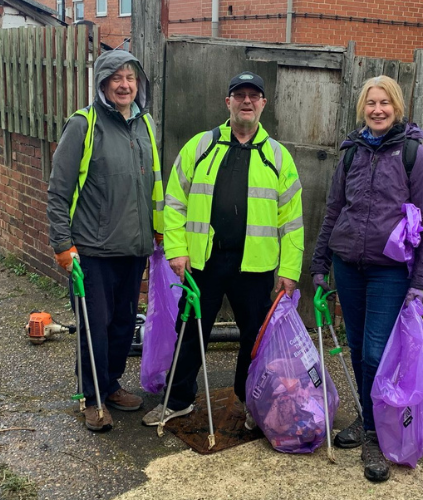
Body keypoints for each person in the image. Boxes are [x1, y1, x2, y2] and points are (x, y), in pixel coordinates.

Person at [142, 71, 304, 430]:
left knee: (254, 338)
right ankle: (178, 400)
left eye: (254, 95)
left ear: (263, 104)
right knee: (190, 330)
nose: (247, 101)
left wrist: (289, 271)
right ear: (227, 102)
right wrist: (177, 250)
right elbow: (174, 203)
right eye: (239, 94)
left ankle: (250, 403)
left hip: (255, 265)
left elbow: (292, 221)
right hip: (204, 261)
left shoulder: (278, 157)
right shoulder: (199, 147)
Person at [310, 75, 423, 482]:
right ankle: (368, 420)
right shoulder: (350, 152)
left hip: (389, 272)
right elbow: (333, 210)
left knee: (375, 353)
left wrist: (421, 284)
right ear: (362, 108)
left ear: (396, 107)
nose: (377, 110)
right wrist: (320, 263)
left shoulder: (414, 155)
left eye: (385, 103)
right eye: (371, 103)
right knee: (356, 346)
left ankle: (377, 436)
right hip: (349, 266)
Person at [47, 50, 164, 432]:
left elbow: (154, 185)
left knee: (122, 323)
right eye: (116, 77)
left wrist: (159, 232)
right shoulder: (84, 124)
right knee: (94, 325)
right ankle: (91, 398)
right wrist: (63, 246)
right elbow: (58, 190)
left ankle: (111, 385)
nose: (125, 84)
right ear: (102, 83)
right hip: (92, 251)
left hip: (133, 248)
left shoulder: (145, 125)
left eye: (131, 78)